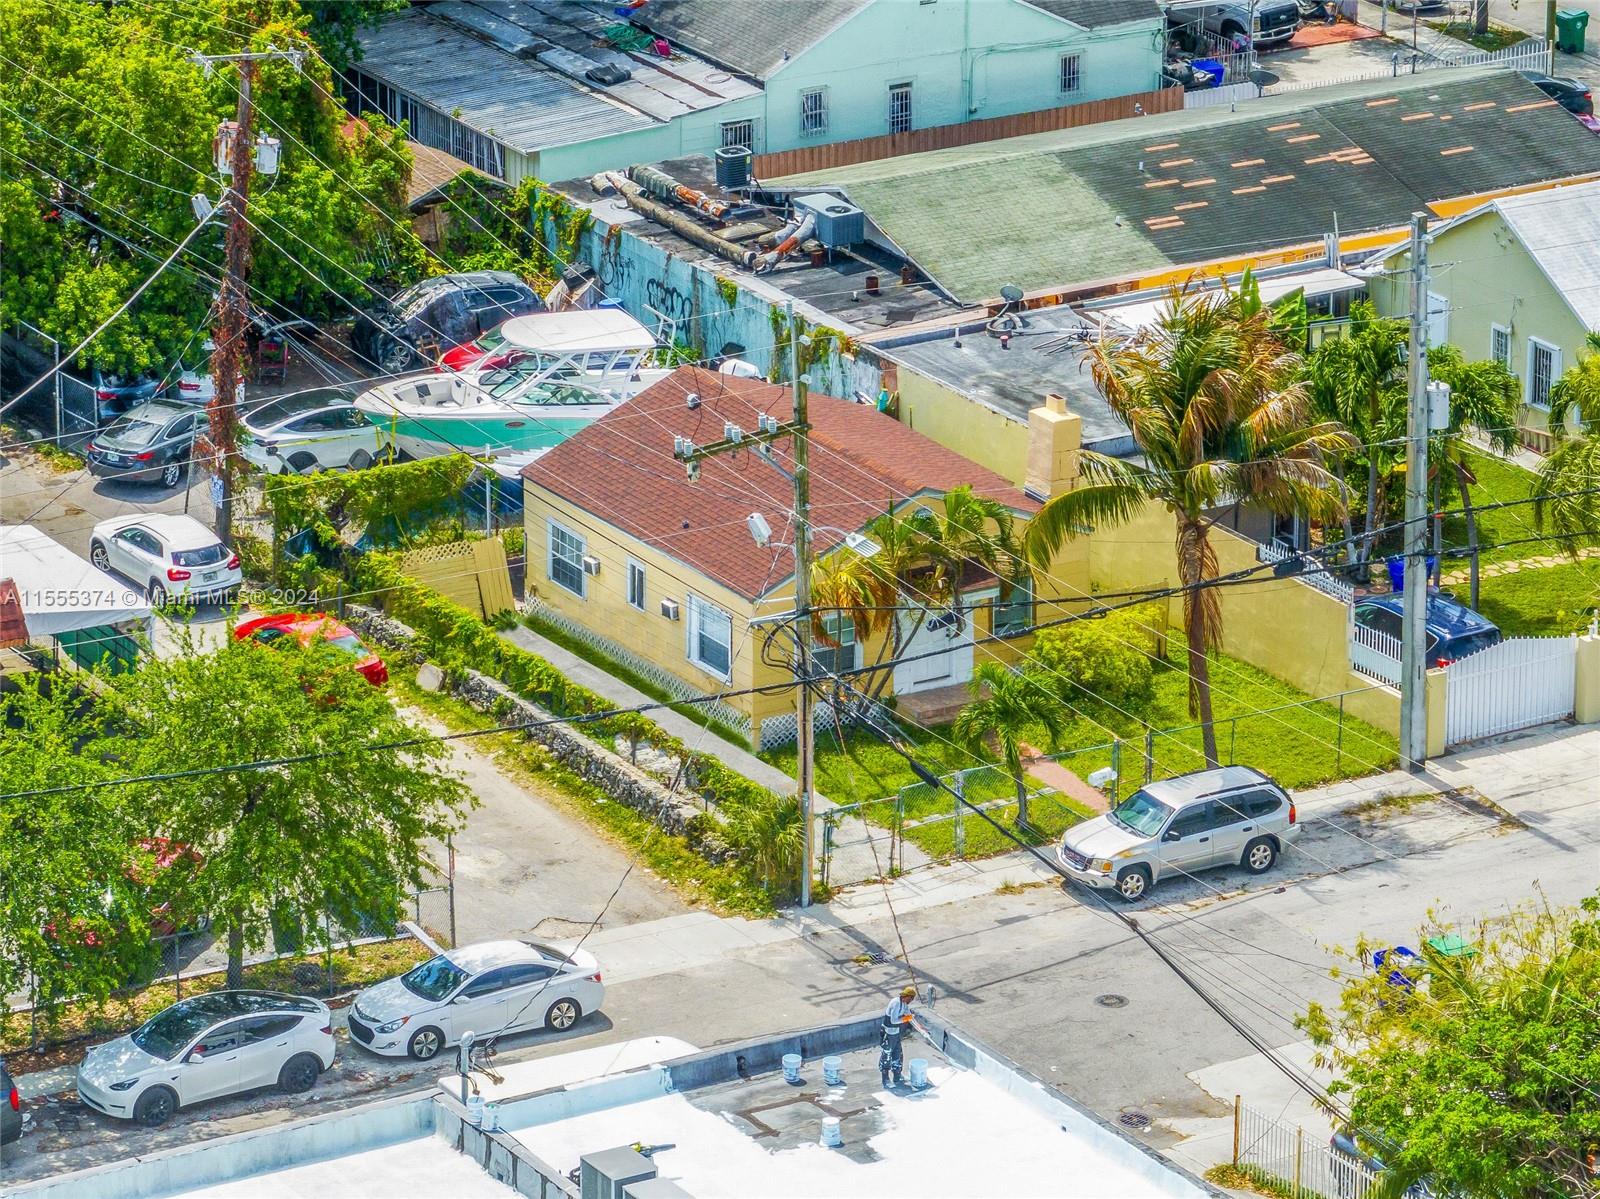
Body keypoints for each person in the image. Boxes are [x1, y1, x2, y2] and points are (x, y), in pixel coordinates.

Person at [879, 985, 919, 1088]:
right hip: (888, 1032)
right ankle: (886, 1078)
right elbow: (893, 1020)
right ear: (906, 996)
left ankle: (897, 1075)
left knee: (898, 1053)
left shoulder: (904, 1003)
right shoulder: (896, 1003)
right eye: (911, 998)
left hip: (896, 1032)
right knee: (887, 1054)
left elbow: (908, 1015)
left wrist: (919, 1026)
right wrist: (905, 1019)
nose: (911, 1001)